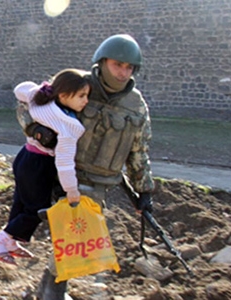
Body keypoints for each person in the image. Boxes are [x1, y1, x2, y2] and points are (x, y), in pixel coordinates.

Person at [31, 34, 155, 300]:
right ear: (102, 61)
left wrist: (144, 191)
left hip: (99, 184)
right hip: (63, 176)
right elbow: (29, 106)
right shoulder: (77, 84)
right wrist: (39, 130)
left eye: (129, 67)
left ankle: (47, 289)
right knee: (72, 238)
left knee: (74, 240)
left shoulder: (136, 105)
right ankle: (52, 292)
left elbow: (139, 151)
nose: (123, 72)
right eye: (117, 65)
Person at [0, 69, 90, 265]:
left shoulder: (41, 101)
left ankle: (10, 242)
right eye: (82, 96)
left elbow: (20, 89)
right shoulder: (68, 125)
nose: (86, 101)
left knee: (21, 203)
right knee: (37, 209)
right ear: (64, 95)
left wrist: (41, 89)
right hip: (40, 165)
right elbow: (65, 163)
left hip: (25, 156)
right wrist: (71, 190)